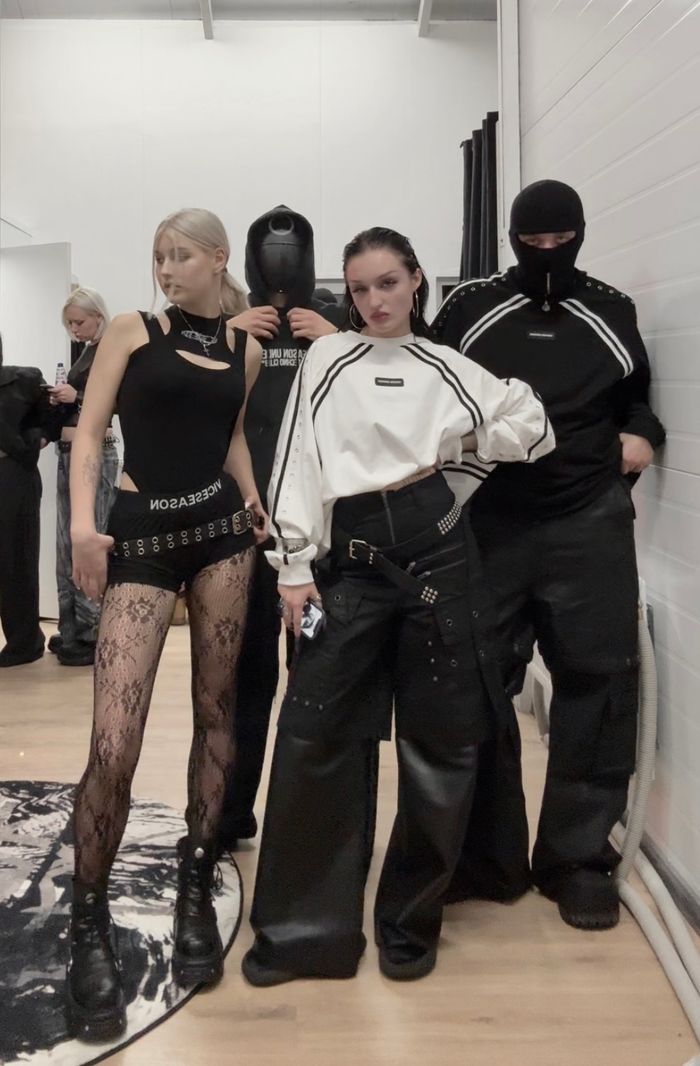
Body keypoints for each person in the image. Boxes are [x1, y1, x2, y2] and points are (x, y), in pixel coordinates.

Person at [242, 226, 554, 987]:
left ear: (416, 280)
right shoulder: (327, 358)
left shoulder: (446, 366)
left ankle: (411, 919)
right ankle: (304, 931)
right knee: (314, 734)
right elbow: (294, 458)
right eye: (359, 289)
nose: (375, 300)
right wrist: (291, 565)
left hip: (439, 555)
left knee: (442, 741)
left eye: (388, 283)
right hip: (345, 566)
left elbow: (534, 425)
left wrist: (459, 445)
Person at [433, 180, 666, 930]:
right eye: (531, 244)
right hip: (489, 517)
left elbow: (635, 397)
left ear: (580, 236)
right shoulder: (470, 308)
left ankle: (576, 858)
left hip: (587, 517)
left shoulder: (609, 309)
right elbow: (429, 396)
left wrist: (644, 433)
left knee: (598, 682)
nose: (545, 255)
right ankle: (483, 854)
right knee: (474, 683)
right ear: (511, 240)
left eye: (559, 243)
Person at [65, 208, 267, 1042]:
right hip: (142, 538)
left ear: (218, 259)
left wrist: (251, 496)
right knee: (116, 739)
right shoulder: (130, 330)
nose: (166, 268)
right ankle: (87, 917)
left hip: (223, 537)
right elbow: (88, 435)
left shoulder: (244, 348)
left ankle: (194, 878)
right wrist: (83, 527)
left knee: (218, 711)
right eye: (158, 256)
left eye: (180, 255)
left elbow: (229, 439)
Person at [217, 204, 341, 852]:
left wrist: (338, 340)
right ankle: (233, 812)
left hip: (314, 551)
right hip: (245, 536)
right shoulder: (225, 325)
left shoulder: (337, 325)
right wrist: (226, 336)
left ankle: (307, 820)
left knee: (313, 674)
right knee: (245, 680)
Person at [49, 288, 119, 666]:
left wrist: (74, 396)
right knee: (67, 543)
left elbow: (114, 403)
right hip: (71, 451)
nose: (74, 329)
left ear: (97, 316)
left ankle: (91, 630)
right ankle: (73, 628)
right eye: (69, 324)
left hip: (94, 453)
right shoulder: (88, 351)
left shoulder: (109, 350)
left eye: (79, 321)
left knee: (88, 536)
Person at [0, 335, 56, 666]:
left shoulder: (24, 379)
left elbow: (52, 417)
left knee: (15, 558)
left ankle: (24, 641)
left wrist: (33, 442)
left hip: (12, 475)